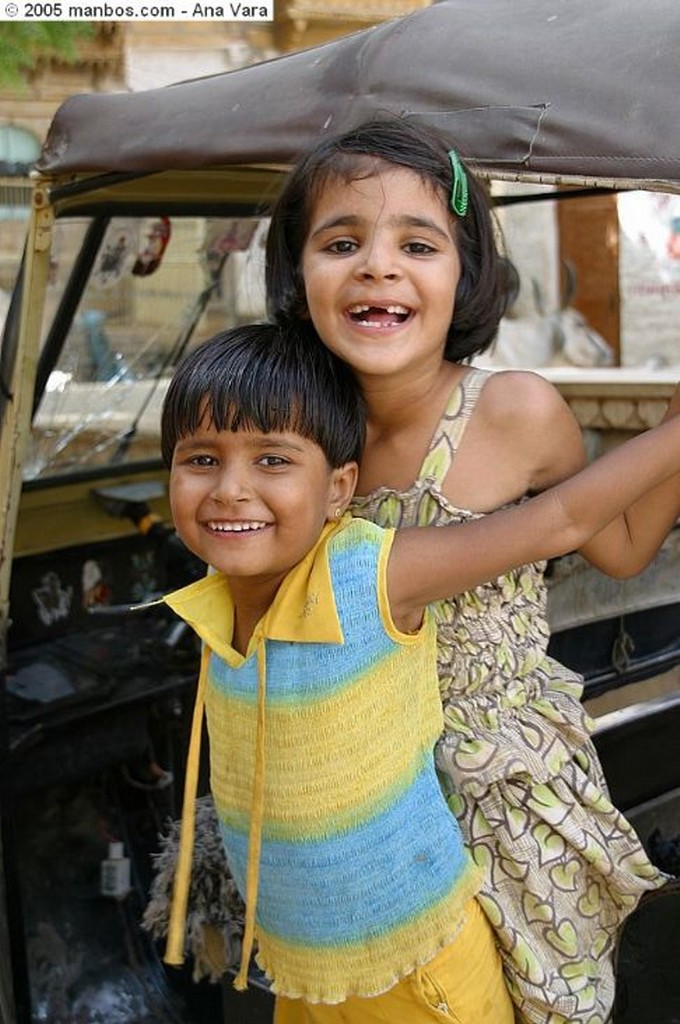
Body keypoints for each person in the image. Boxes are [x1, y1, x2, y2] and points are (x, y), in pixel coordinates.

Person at [264, 117, 680, 1024]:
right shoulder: (291, 437)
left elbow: (616, 547)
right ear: (298, 275)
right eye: (342, 243)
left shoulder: (517, 411)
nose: (378, 265)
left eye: (417, 243)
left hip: (509, 788)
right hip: (364, 799)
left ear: (468, 275)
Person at [159, 321, 680, 1024]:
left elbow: (561, 517)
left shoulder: (369, 573)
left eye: (273, 461)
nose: (230, 490)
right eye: (200, 460)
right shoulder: (212, 598)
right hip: (307, 969)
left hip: (421, 972)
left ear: (341, 487)